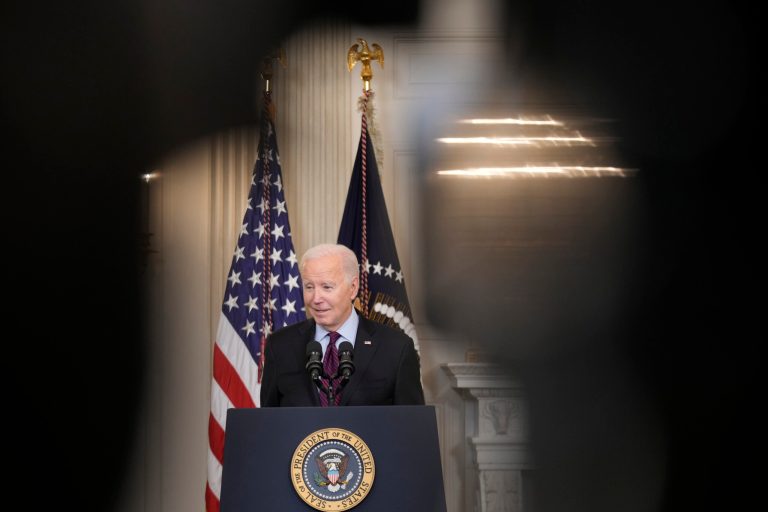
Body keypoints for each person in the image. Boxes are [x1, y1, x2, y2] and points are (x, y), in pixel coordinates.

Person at [260, 243, 424, 406]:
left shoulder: (396, 348)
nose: (316, 298)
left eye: (327, 287)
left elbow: (411, 426)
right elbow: (268, 424)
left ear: (353, 288)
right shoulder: (280, 345)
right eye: (309, 287)